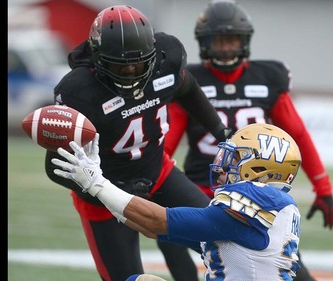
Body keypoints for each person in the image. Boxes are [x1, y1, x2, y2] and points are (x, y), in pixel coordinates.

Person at [44, 5, 233, 281]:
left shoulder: (165, 61)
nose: (131, 70)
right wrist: (115, 191)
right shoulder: (80, 92)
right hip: (102, 198)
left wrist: (221, 131)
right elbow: (56, 166)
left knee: (225, 243)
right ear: (98, 59)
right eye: (120, 63)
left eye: (138, 62)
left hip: (160, 175)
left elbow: (189, 90)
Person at [164, 1, 333, 280]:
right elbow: (167, 142)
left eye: (231, 40)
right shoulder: (190, 81)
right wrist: (156, 180)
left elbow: (299, 135)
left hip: (254, 192)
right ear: (203, 42)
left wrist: (323, 187)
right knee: (168, 233)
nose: (225, 48)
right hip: (203, 186)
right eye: (218, 41)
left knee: (288, 266)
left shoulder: (268, 77)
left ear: (245, 41)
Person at [51, 123, 303, 281]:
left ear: (260, 168)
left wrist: (97, 183)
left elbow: (159, 220)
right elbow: (153, 228)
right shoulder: (274, 206)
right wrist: (103, 192)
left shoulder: (261, 198)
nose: (225, 167)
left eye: (235, 159)